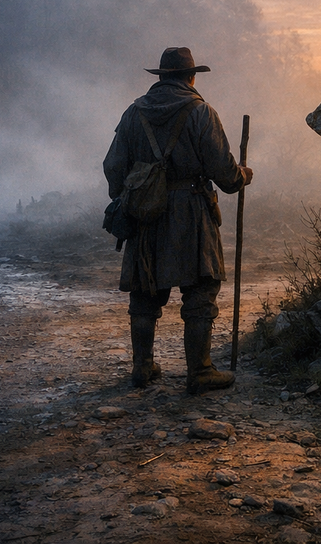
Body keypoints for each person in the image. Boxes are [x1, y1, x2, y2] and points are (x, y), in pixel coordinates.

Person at [104, 47, 253, 394]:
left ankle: (142, 367)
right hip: (191, 212)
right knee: (201, 289)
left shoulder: (133, 113)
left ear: (160, 77)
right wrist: (243, 175)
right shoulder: (202, 113)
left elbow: (113, 167)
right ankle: (200, 372)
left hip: (144, 213)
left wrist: (132, 196)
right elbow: (226, 176)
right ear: (191, 77)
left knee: (145, 288)